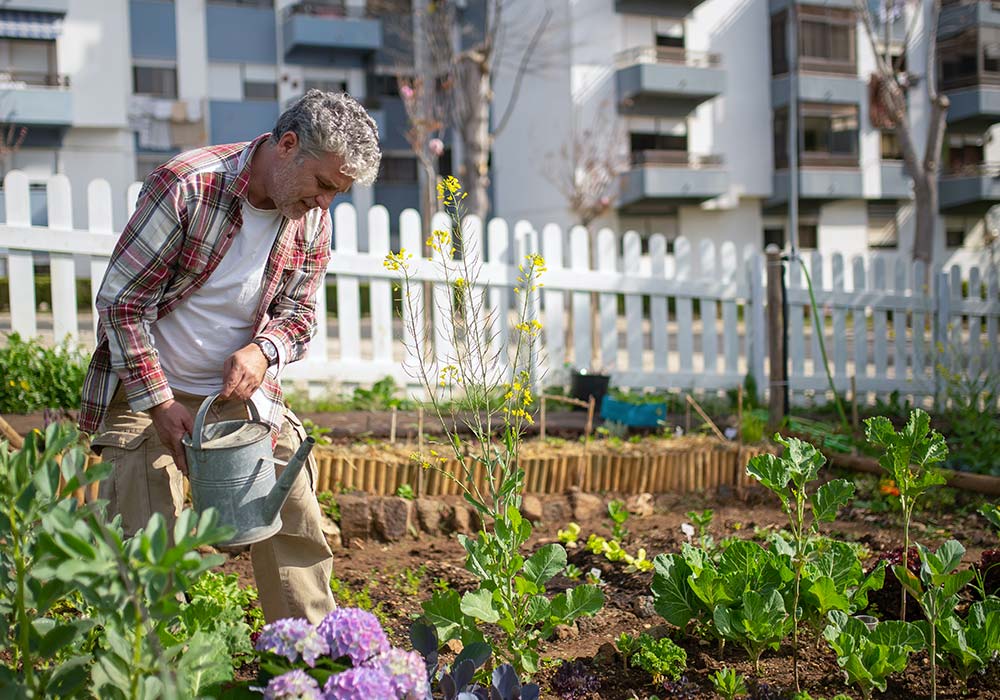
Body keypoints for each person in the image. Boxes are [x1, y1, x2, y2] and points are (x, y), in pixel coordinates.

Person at [78, 90, 381, 624]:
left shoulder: (309, 218)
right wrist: (159, 404)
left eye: (339, 192)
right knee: (147, 547)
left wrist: (264, 352)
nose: (325, 203)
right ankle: (158, 672)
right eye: (324, 185)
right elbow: (121, 305)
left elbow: (300, 316)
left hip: (239, 397)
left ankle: (307, 664)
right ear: (287, 146)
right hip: (147, 391)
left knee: (294, 517)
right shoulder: (189, 186)